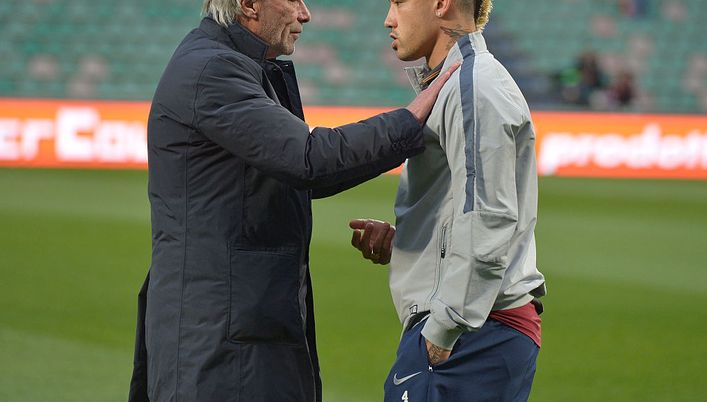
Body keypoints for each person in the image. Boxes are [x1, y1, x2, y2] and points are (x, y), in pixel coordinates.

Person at [127, 0, 459, 401]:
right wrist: (410, 119)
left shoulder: (236, 64)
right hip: (219, 338)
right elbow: (308, 159)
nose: (305, 14)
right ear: (249, 4)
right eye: (294, 0)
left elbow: (295, 174)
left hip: (233, 325)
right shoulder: (212, 69)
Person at [349, 0, 547, 401]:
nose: (389, 19)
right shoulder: (462, 81)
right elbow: (466, 208)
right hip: (476, 327)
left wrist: (443, 330)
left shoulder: (474, 86)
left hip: (473, 331)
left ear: (441, 4)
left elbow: (488, 217)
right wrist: (411, 242)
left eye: (399, 2)